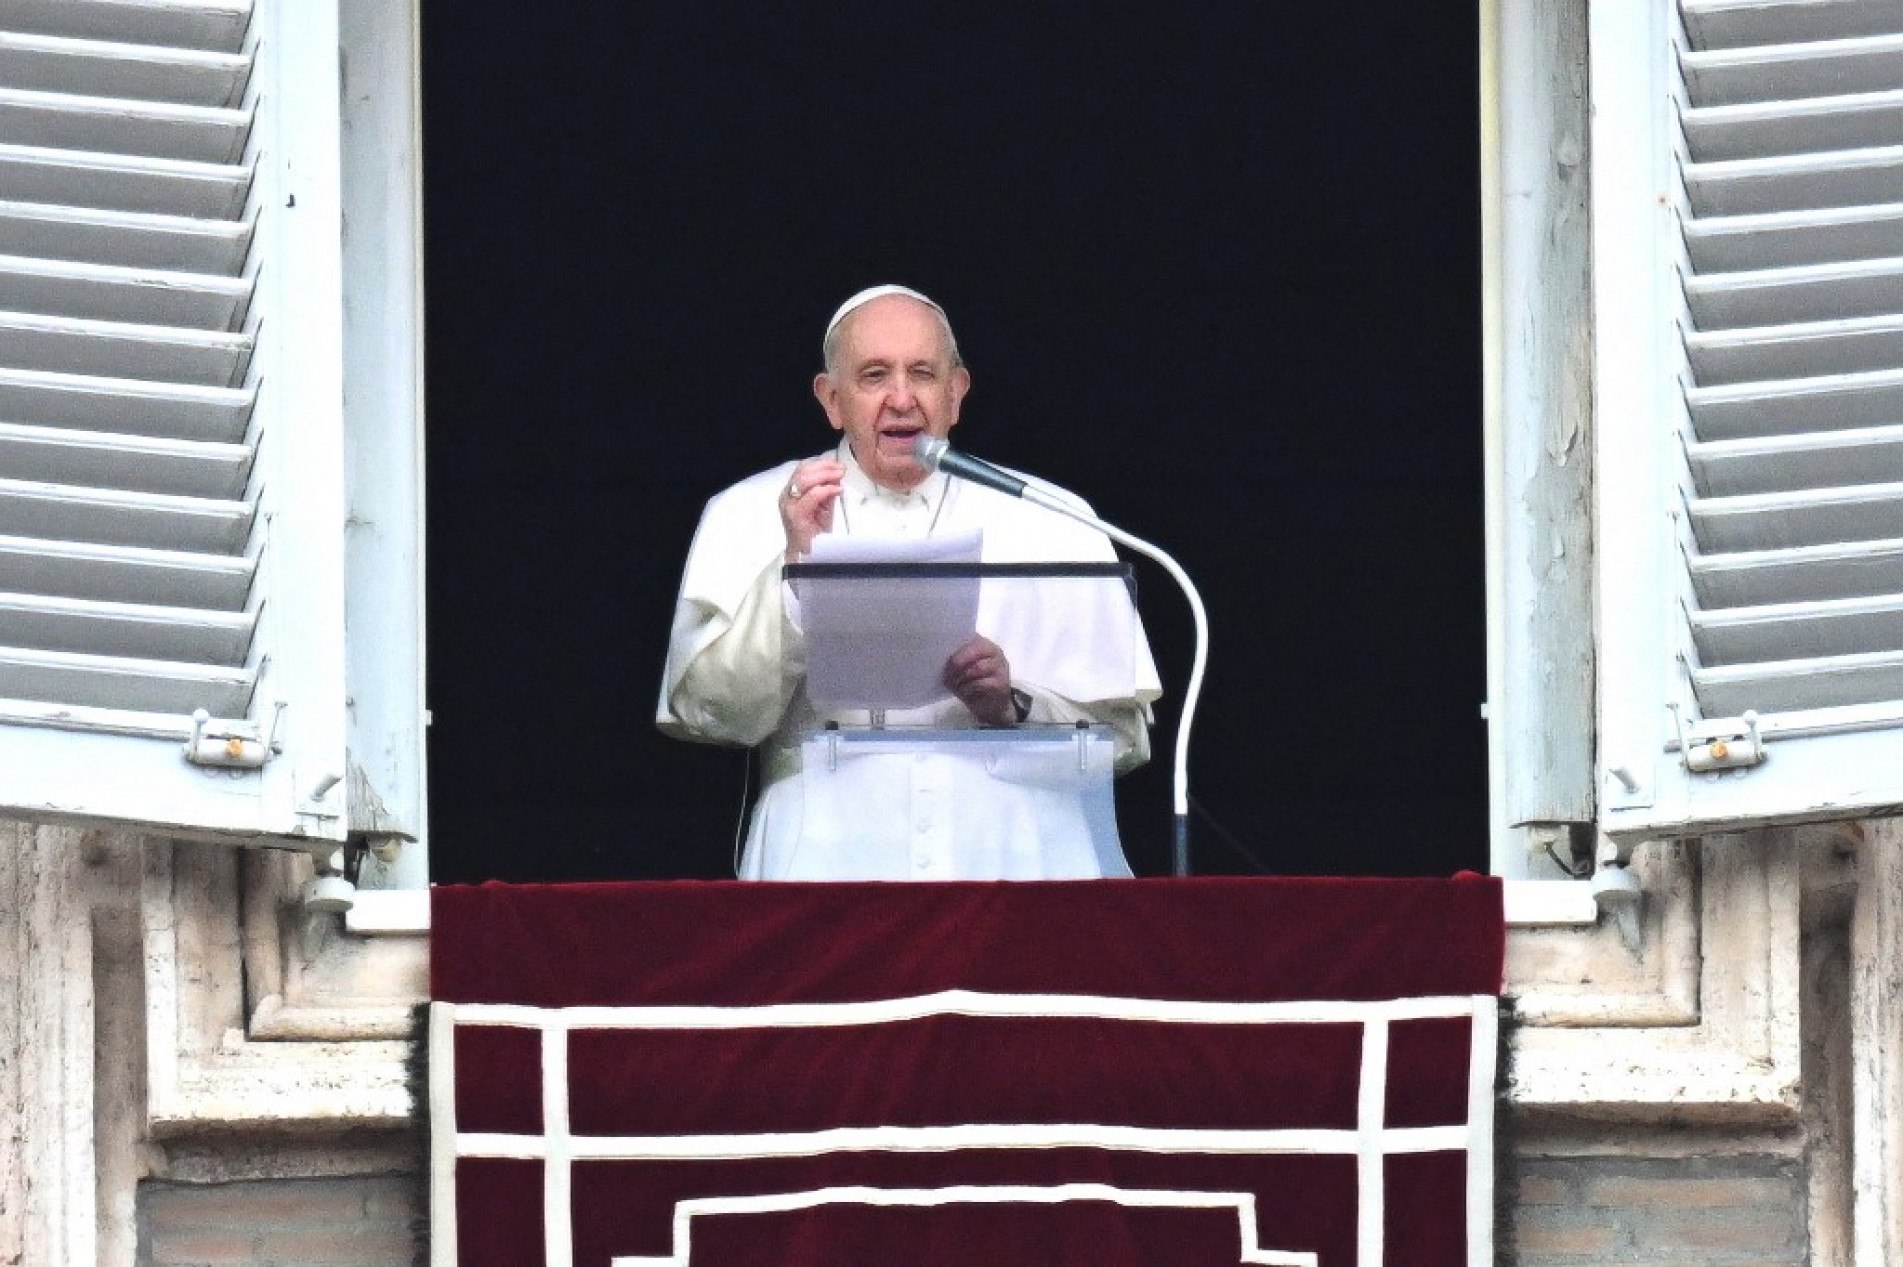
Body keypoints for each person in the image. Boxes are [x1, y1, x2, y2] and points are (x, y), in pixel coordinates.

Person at [656, 285, 1161, 879]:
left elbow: (1124, 743)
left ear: (956, 393)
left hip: (1018, 864)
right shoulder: (747, 510)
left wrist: (1013, 704)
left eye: (921, 373)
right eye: (874, 375)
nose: (901, 398)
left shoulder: (1053, 517)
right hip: (823, 864)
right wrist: (794, 576)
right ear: (832, 399)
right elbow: (709, 715)